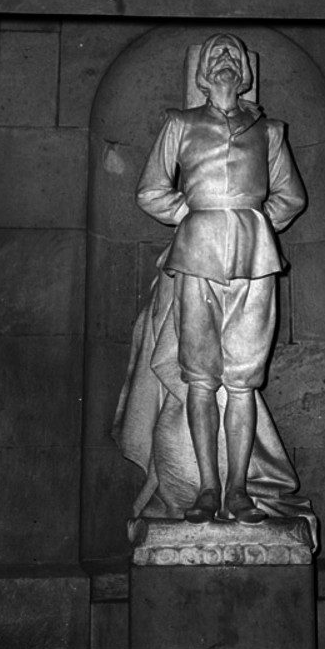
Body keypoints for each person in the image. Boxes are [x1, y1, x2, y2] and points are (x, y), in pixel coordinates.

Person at [135, 32, 306, 524]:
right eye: (217, 55)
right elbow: (150, 191)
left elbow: (290, 197)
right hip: (195, 257)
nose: (226, 61)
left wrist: (251, 223)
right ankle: (207, 488)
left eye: (234, 54)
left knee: (244, 381)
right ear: (203, 73)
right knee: (200, 378)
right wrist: (197, 217)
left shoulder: (269, 130)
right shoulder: (180, 123)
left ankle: (238, 490)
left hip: (256, 261)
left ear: (245, 71)